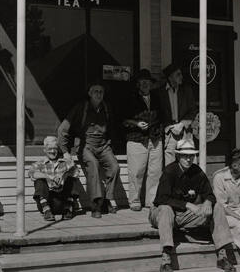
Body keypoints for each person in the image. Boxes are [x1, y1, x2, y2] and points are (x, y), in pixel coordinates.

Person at [149, 136, 236, 272]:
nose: (188, 159)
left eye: (191, 156)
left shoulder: (197, 172)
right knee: (166, 209)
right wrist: (188, 205)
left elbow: (210, 194)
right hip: (161, 215)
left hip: (184, 217)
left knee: (218, 207)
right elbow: (161, 199)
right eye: (185, 156)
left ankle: (222, 257)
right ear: (178, 156)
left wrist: (208, 201)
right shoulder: (169, 171)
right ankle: (166, 261)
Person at [57, 82, 120, 218]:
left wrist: (111, 144)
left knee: (114, 166)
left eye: (101, 92)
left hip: (103, 145)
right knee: (93, 165)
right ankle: (96, 204)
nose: (98, 94)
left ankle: (108, 199)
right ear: (90, 94)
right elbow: (63, 129)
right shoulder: (81, 108)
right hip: (86, 145)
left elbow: (112, 128)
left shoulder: (106, 108)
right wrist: (65, 151)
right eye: (95, 91)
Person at [123, 68, 163, 211]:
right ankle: (134, 200)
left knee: (155, 172)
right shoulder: (129, 99)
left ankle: (151, 201)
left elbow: (162, 117)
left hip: (155, 138)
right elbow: (123, 120)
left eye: (148, 82)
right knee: (136, 171)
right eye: (142, 82)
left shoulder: (157, 97)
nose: (145, 84)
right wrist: (136, 123)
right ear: (138, 84)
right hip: (136, 138)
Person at [28, 136, 81, 222]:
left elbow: (77, 172)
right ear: (44, 150)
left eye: (55, 148)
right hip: (48, 202)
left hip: (63, 202)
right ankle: (47, 211)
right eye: (49, 149)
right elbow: (32, 173)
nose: (52, 151)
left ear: (58, 149)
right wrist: (49, 177)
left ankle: (68, 210)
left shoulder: (65, 163)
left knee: (72, 178)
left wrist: (64, 175)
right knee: (39, 180)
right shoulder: (39, 164)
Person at [158, 63, 197, 166]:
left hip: (184, 130)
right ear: (170, 77)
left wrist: (181, 124)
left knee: (188, 160)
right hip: (169, 132)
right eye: (178, 74)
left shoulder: (186, 90)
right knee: (169, 163)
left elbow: (193, 110)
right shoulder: (161, 92)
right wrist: (169, 127)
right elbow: (159, 114)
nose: (181, 77)